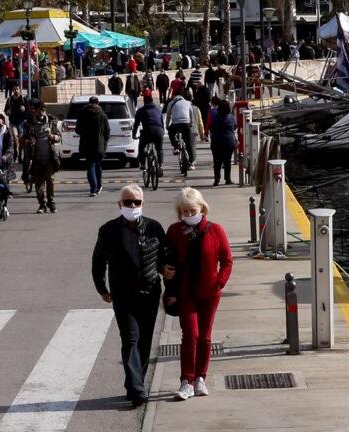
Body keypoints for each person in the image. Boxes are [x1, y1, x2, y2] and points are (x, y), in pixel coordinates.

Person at [92, 184, 173, 407]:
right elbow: (98, 261)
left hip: (149, 292)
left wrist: (166, 275)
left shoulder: (154, 228)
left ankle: (133, 383)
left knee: (145, 341)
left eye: (137, 202)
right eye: (128, 202)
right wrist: (102, 289)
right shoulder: (107, 231)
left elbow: (165, 257)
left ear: (143, 204)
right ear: (119, 205)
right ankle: (138, 390)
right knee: (130, 339)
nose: (133, 206)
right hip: (123, 294)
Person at [164, 187, 232, 401]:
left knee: (205, 337)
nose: (189, 215)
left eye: (192, 210)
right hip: (186, 292)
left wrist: (219, 283)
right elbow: (168, 263)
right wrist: (169, 287)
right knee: (190, 335)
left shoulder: (216, 230)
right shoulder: (174, 231)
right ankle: (187, 380)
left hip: (210, 292)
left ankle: (201, 377)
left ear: (202, 208)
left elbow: (227, 261)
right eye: (184, 211)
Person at [22, 99, 60, 214]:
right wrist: (29, 141)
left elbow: (59, 136)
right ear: (35, 111)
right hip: (36, 158)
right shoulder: (29, 123)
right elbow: (23, 140)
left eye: (43, 110)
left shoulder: (51, 121)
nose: (41, 112)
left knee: (50, 181)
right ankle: (42, 204)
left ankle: (51, 202)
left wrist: (53, 137)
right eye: (39, 110)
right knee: (38, 183)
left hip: (49, 157)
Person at [76, 96, 110, 197]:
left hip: (86, 144)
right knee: (98, 165)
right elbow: (107, 131)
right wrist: (104, 141)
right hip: (99, 144)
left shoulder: (83, 114)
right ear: (98, 103)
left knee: (91, 165)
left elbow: (77, 130)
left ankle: (93, 189)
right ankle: (98, 186)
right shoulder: (102, 115)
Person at [133, 93, 165, 171]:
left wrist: (134, 134)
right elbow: (161, 122)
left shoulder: (141, 110)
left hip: (147, 131)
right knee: (159, 149)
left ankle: (143, 164)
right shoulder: (158, 109)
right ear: (152, 101)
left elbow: (136, 124)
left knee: (141, 147)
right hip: (159, 131)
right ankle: (160, 165)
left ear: (144, 101)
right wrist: (162, 131)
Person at [209, 100, 237, 186]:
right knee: (227, 161)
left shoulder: (215, 118)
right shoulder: (231, 117)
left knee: (217, 161)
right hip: (229, 142)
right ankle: (227, 179)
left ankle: (216, 179)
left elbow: (211, 128)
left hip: (216, 142)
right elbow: (235, 127)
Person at [165, 89, 197, 165]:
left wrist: (167, 126)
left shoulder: (171, 103)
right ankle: (191, 161)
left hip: (176, 124)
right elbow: (191, 114)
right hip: (186, 124)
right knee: (188, 143)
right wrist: (191, 124)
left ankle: (175, 146)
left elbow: (168, 116)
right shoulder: (188, 103)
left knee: (171, 133)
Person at [183, 92, 204, 170]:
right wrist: (202, 133)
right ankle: (192, 162)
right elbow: (200, 121)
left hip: (184, 128)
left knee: (185, 145)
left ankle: (184, 158)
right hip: (193, 130)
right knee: (193, 147)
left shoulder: (183, 107)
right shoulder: (196, 108)